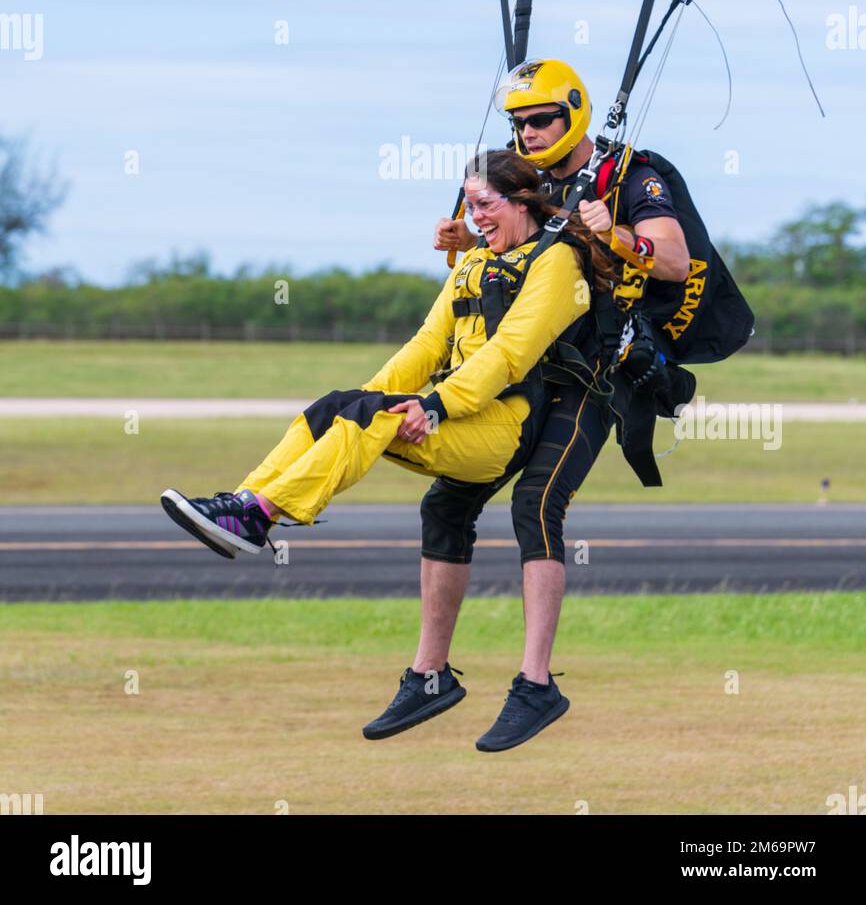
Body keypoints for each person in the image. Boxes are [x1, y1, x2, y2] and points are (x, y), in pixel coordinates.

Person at [160, 148, 614, 750]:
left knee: (370, 421)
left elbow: (510, 354)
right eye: (468, 204)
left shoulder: (555, 263)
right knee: (336, 408)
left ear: (522, 201)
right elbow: (424, 347)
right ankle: (247, 501)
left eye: (485, 205)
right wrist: (370, 396)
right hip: (457, 413)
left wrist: (434, 406)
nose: (473, 216)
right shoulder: (474, 264)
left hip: (502, 425)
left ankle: (261, 515)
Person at [419, 58, 692, 749]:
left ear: (573, 111)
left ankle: (536, 685)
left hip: (598, 372)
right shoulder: (524, 180)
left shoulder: (630, 175)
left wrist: (615, 232)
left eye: (540, 119)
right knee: (447, 502)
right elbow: (503, 257)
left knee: (536, 505)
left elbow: (673, 262)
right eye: (517, 122)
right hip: (533, 369)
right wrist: (462, 240)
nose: (528, 133)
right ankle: (429, 675)